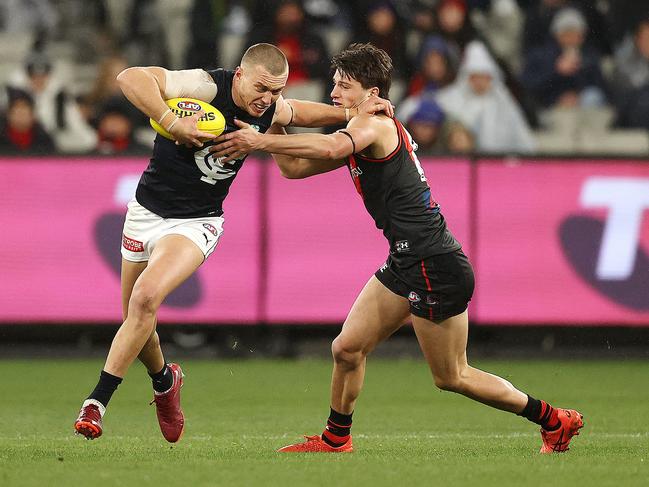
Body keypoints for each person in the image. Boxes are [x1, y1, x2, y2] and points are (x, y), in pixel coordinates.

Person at [210, 42, 584, 454]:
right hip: (410, 257)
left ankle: (552, 419)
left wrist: (258, 142)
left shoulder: (376, 127)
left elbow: (332, 148)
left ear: (372, 94)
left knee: (451, 376)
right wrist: (273, 123)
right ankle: (336, 439)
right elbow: (294, 169)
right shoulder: (362, 126)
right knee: (347, 348)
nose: (335, 94)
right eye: (335, 84)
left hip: (433, 262)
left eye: (345, 86)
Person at [73, 42, 393, 442]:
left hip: (196, 223)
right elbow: (130, 78)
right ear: (240, 75)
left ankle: (96, 403)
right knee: (137, 327)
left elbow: (299, 111)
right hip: (144, 213)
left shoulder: (268, 106)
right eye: (262, 88)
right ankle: (164, 382)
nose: (269, 100)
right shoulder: (207, 87)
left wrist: (352, 113)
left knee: (144, 299)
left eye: (276, 91)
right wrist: (170, 120)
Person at [436, 41, 535, 154]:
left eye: (483, 76)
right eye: (475, 77)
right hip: (462, 162)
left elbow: (521, 136)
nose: (479, 82)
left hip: (498, 163)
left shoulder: (503, 102)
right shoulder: (452, 100)